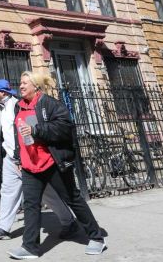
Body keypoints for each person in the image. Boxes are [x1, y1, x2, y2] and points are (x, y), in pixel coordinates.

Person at [7, 71, 106, 259]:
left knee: (72, 198)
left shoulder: (49, 103)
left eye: (25, 83)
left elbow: (64, 128)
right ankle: (30, 247)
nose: (21, 86)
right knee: (31, 205)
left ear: (36, 86)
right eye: (20, 82)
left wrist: (36, 129)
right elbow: (17, 135)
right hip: (30, 165)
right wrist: (19, 158)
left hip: (51, 162)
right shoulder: (19, 106)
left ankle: (96, 237)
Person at [0, 79, 79, 242]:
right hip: (10, 158)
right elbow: (5, 132)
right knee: (8, 191)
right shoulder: (1, 108)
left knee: (47, 194)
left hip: (25, 158)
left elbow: (31, 132)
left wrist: (24, 158)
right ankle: (3, 228)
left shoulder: (18, 106)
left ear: (2, 92)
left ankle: (69, 222)